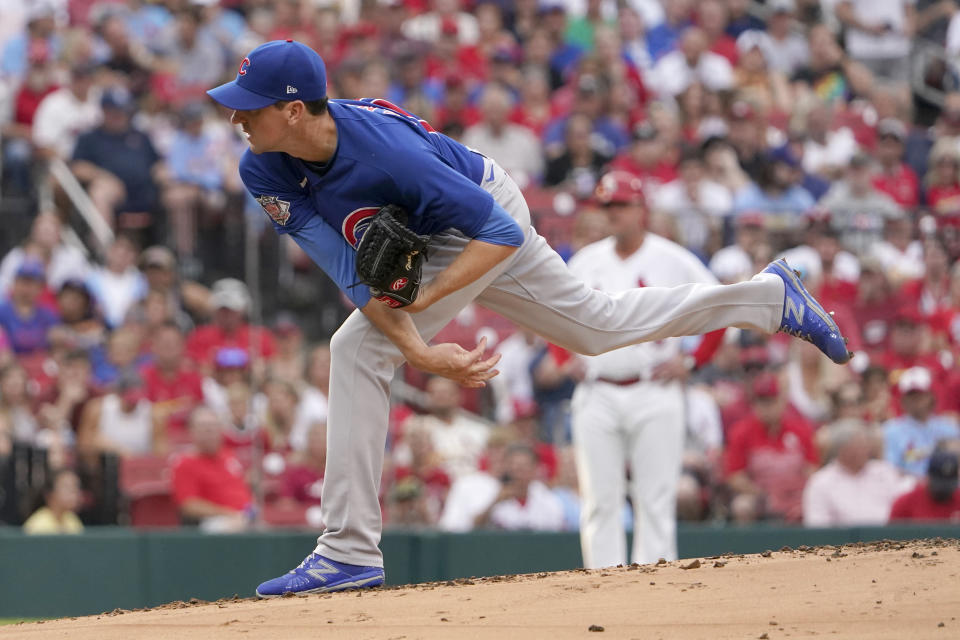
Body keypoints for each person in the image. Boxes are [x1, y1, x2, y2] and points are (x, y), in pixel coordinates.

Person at [206, 39, 851, 597]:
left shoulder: (383, 154)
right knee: (593, 329)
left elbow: (498, 232)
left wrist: (422, 312)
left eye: (248, 103)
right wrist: (419, 348)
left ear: (293, 110)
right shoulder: (262, 165)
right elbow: (351, 274)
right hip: (435, 236)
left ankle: (347, 552)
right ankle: (769, 299)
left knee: (356, 351)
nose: (234, 114)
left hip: (484, 213)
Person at [567, 170, 725, 567]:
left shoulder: (671, 258)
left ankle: (656, 588)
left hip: (653, 388)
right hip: (597, 390)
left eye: (621, 204)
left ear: (642, 209)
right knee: (599, 500)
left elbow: (720, 308)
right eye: (608, 205)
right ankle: (602, 583)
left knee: (655, 499)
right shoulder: (587, 261)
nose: (614, 213)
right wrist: (561, 356)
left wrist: (692, 360)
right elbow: (552, 313)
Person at [802, 419, 913, 527]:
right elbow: (817, 527)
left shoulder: (884, 471)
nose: (867, 449)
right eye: (860, 444)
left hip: (891, 540)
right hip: (843, 543)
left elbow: (906, 505)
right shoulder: (820, 482)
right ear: (842, 449)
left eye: (866, 443)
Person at [170, 406, 254, 532]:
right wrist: (228, 513)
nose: (210, 433)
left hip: (247, 516)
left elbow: (240, 490)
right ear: (192, 431)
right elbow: (188, 505)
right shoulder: (185, 463)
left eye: (213, 428)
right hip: (215, 521)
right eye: (204, 429)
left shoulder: (229, 456)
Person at [888, 449, 960, 521]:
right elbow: (891, 531)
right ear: (928, 476)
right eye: (941, 482)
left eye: (948, 483)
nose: (944, 488)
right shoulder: (905, 504)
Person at [22, 468, 84, 535]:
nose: (74, 493)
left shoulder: (72, 520)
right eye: (67, 487)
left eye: (76, 487)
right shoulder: (39, 525)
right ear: (50, 494)